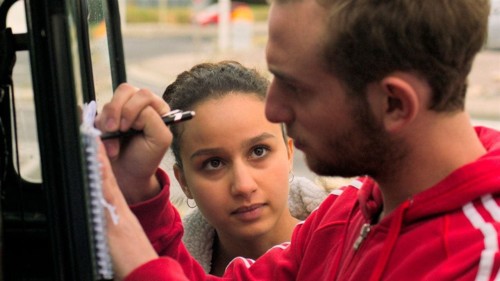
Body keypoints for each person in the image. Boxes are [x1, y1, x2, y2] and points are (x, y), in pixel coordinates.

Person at [97, 0, 500, 280]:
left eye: (295, 87)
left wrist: (120, 229)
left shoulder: (479, 262)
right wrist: (136, 191)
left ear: (393, 103)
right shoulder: (348, 214)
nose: (273, 111)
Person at [162, 61, 331, 275]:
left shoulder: (349, 247)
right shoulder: (172, 271)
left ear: (289, 153)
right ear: (183, 181)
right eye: (214, 163)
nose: (243, 186)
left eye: (259, 151)